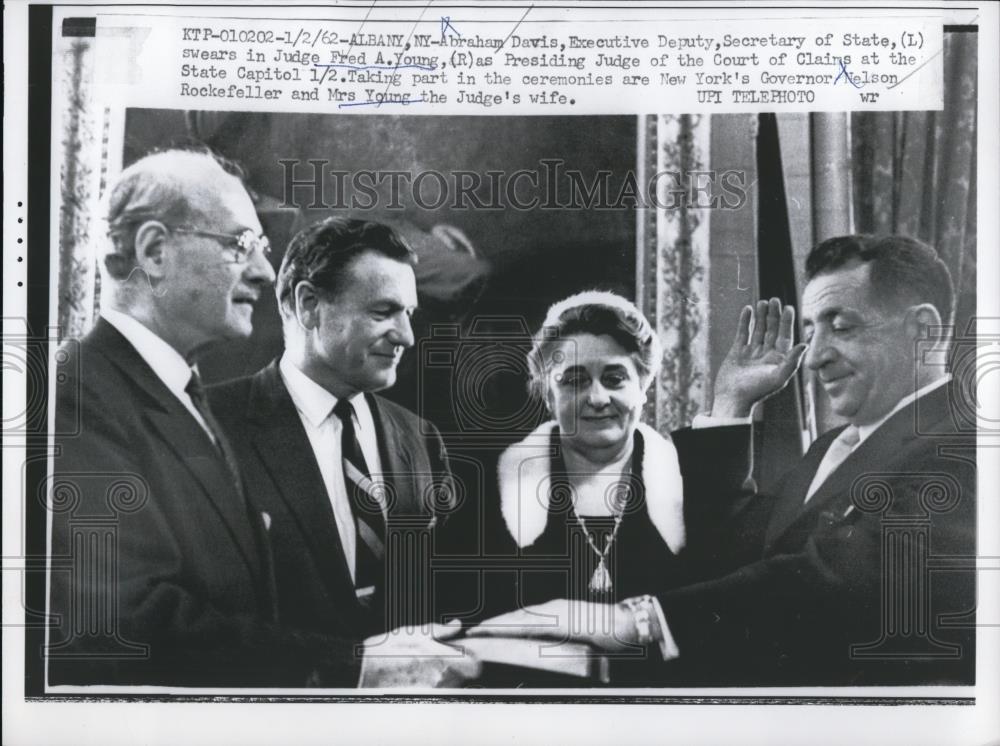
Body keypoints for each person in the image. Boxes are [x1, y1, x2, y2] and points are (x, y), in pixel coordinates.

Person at [48, 149, 478, 688]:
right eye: (240, 244)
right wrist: (353, 664)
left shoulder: (180, 397)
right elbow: (120, 625)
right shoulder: (76, 394)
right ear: (154, 251)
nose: (263, 269)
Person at [470, 234, 976, 686]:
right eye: (812, 329)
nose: (815, 355)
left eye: (841, 326)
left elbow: (848, 580)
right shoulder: (833, 447)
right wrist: (733, 403)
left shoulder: (966, 447)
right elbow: (732, 555)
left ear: (922, 331)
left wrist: (642, 620)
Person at [208, 217, 459, 646]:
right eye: (384, 312)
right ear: (308, 305)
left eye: (409, 314)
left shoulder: (421, 439)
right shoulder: (209, 426)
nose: (407, 336)